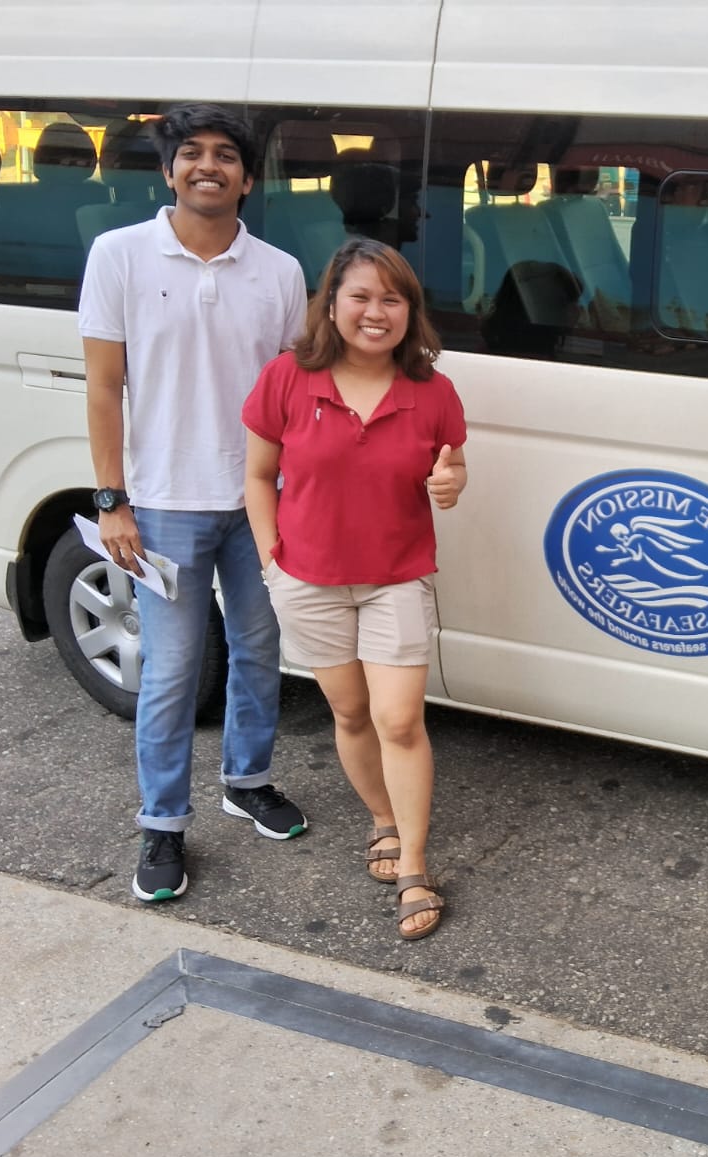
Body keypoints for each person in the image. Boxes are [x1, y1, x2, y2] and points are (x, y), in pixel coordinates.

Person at [79, 102, 310, 903]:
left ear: (247, 179)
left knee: (259, 646)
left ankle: (247, 781)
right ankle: (164, 824)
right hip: (163, 504)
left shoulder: (280, 271)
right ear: (169, 170)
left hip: (257, 499)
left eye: (225, 155)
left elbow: (292, 395)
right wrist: (112, 500)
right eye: (192, 153)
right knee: (174, 670)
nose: (208, 165)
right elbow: (103, 388)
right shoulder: (119, 255)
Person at [243, 238, 467, 941]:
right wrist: (272, 561)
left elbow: (452, 470)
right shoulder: (287, 377)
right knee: (349, 712)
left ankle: (414, 867)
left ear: (410, 311)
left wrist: (451, 485)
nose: (376, 312)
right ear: (332, 303)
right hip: (307, 581)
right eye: (361, 296)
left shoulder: (433, 391)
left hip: (395, 577)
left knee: (398, 720)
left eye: (392, 299)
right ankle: (382, 818)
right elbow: (258, 477)